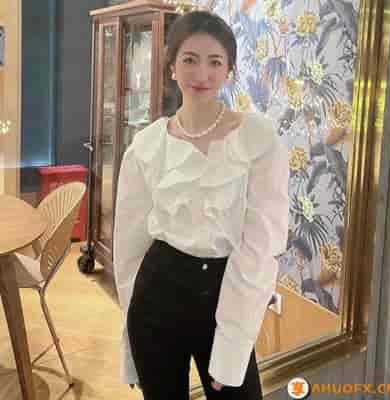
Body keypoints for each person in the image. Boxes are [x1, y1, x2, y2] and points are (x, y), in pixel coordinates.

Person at [113, 10, 289, 400]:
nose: (202, 74)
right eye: (190, 59)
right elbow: (128, 249)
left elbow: (261, 244)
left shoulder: (258, 139)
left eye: (215, 62)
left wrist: (232, 346)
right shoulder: (146, 146)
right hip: (155, 298)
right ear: (172, 66)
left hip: (226, 292)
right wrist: (128, 342)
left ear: (229, 70)